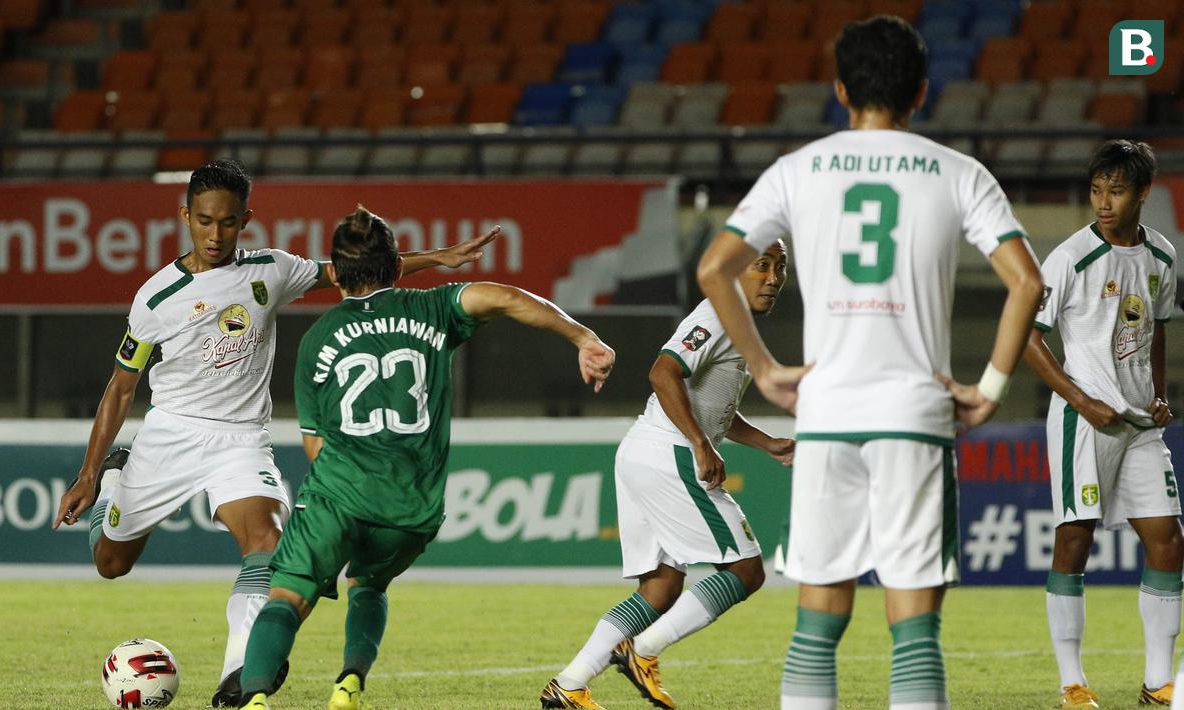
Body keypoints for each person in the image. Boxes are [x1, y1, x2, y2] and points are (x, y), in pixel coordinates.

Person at [50, 159, 496, 707]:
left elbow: (353, 270)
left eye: (230, 222)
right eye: (206, 221)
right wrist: (91, 474)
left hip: (241, 439)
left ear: (246, 219)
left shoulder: (271, 270)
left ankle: (239, 677)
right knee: (110, 564)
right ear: (185, 215)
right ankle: (120, 480)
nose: (216, 234)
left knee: (267, 544)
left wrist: (436, 259)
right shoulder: (155, 298)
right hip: (170, 434)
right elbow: (121, 388)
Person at [696, 16, 1044, 710]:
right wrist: (990, 388)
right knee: (914, 634)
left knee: (814, 630)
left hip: (826, 416)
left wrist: (764, 370)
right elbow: (1027, 282)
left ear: (837, 88)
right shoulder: (957, 172)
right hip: (913, 416)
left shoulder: (798, 170)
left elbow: (714, 268)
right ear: (920, 92)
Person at [236, 206, 615, 710]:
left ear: (337, 272)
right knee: (369, 585)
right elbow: (504, 297)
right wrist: (583, 337)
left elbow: (315, 445)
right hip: (410, 505)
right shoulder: (435, 309)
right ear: (396, 266)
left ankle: (255, 698)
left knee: (285, 596)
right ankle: (349, 682)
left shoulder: (318, 339)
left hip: (338, 494)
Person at [541, 242, 796, 710]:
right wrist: (699, 444)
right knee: (745, 569)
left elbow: (714, 406)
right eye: (763, 265)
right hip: (669, 453)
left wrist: (766, 443)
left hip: (647, 451)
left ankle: (569, 685)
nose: (774, 277)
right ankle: (643, 650)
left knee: (660, 586)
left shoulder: (735, 321)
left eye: (781, 267)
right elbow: (663, 373)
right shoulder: (720, 312)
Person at [1024, 140, 1180, 709]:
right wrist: (1080, 399)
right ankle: (1072, 682)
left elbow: (1157, 327)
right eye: (1096, 190)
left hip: (1140, 425)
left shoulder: (1161, 255)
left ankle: (1158, 682)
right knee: (1074, 539)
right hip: (1083, 423)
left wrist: (1160, 394)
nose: (1104, 202)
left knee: (1168, 541)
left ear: (1143, 194)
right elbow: (1028, 336)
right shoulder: (1068, 258)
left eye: (1116, 190)